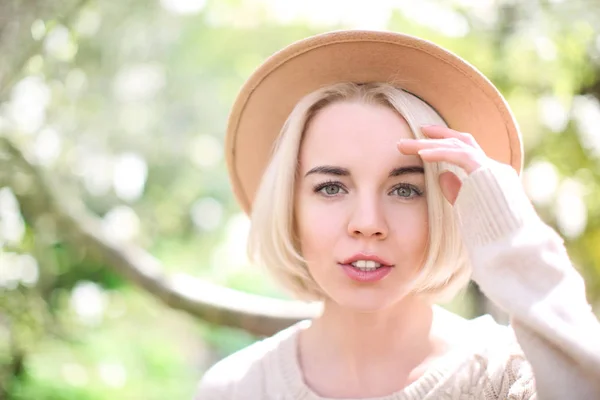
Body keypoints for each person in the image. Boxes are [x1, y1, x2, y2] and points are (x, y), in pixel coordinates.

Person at [195, 30, 600, 399]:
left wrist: (514, 238)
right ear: (289, 208)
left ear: (443, 207)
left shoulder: (511, 378)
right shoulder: (235, 388)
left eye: (405, 189)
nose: (368, 223)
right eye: (331, 188)